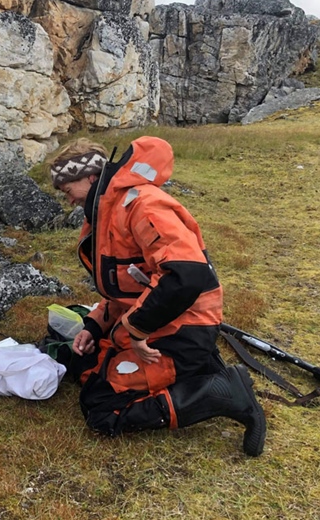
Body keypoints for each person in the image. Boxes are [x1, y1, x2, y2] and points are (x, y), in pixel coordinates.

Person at [49, 136, 266, 456]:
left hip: (184, 326)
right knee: (80, 361)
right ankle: (197, 370)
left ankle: (222, 392)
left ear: (90, 176)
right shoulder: (105, 212)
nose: (67, 200)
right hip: (159, 321)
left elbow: (187, 275)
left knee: (102, 409)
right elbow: (125, 290)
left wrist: (137, 330)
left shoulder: (142, 204)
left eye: (67, 190)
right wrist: (94, 326)